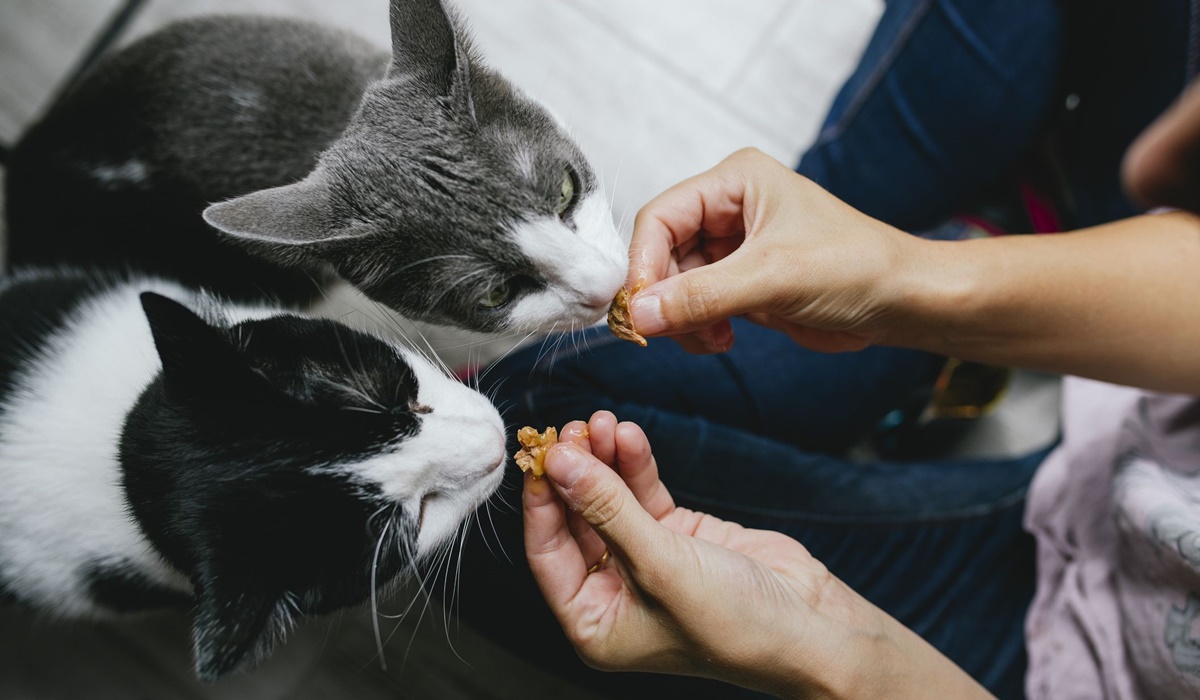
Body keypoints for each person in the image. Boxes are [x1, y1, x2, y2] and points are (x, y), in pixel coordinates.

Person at [446, 3, 1197, 698]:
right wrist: (906, 280)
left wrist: (836, 652)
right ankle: (1009, 229)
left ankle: (998, 226)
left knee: (499, 486)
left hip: (1069, 637)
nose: (1164, 181)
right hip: (1150, 420)